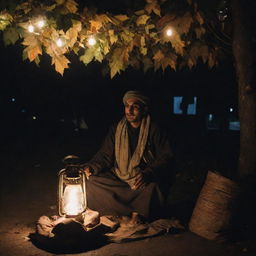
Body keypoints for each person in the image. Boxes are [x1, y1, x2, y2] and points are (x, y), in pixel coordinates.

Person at [82, 90, 174, 221]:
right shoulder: (116, 128)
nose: (129, 111)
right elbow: (105, 155)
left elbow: (166, 157)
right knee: (92, 181)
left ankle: (127, 211)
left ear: (144, 109)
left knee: (154, 188)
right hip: (119, 175)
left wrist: (149, 173)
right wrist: (91, 167)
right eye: (127, 106)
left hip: (141, 180)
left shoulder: (154, 129)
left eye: (135, 107)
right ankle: (128, 212)